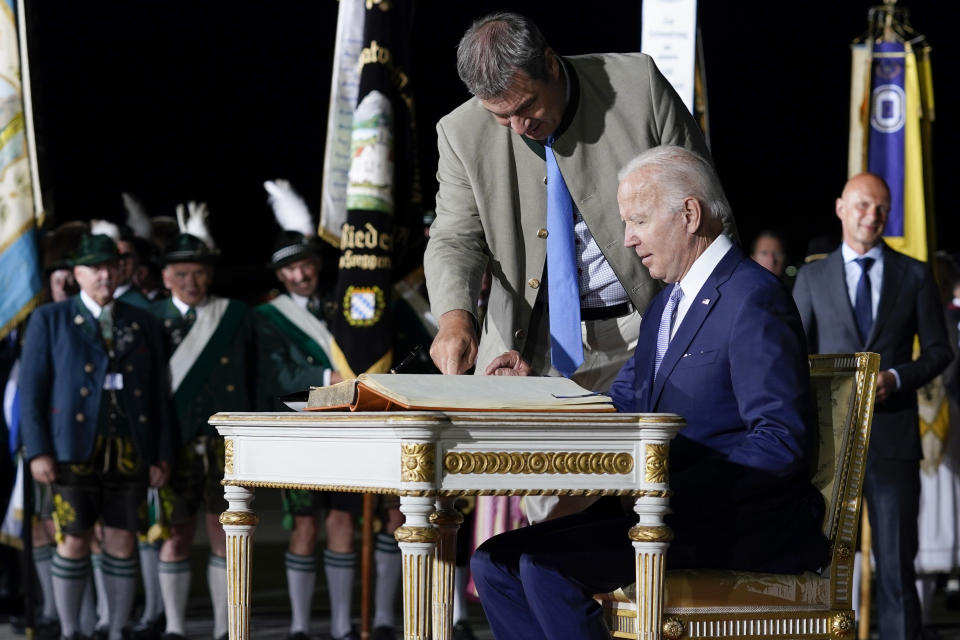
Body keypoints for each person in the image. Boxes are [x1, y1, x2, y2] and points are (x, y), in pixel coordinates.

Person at [474, 146, 828, 639]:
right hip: (661, 515)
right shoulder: (665, 306)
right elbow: (618, 408)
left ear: (689, 214)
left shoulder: (753, 297)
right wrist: (533, 390)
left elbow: (779, 442)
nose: (627, 239)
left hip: (735, 521)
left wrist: (663, 493)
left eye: (637, 220)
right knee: (494, 562)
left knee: (545, 567)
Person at [424, 11, 713, 390]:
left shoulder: (639, 86)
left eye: (526, 106)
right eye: (501, 116)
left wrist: (714, 324)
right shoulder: (459, 133)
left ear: (549, 64)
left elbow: (703, 208)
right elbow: (454, 237)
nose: (518, 126)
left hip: (645, 330)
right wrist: (454, 319)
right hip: (523, 346)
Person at [793, 172, 952, 640]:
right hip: (830, 446)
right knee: (816, 570)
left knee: (897, 569)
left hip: (894, 442)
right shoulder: (811, 276)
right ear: (841, 207)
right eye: (863, 205)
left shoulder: (916, 274)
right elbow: (793, 355)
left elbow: (941, 351)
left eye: (881, 208)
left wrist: (898, 378)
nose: (872, 216)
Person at [18, 233, 174, 640]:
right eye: (93, 268)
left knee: (122, 540)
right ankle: (71, 632)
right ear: (76, 274)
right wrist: (38, 451)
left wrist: (161, 453)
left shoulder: (144, 322)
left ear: (121, 269)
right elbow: (31, 392)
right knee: (73, 540)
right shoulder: (49, 319)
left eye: (110, 266)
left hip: (130, 449)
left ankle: (117, 630)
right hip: (70, 450)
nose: (103, 275)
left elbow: (160, 395)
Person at [150, 225, 255, 640]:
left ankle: (222, 629)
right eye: (181, 274)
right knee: (175, 534)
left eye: (198, 273)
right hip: (171, 446)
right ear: (165, 278)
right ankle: (174, 628)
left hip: (222, 446)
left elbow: (250, 379)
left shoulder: (233, 315)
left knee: (222, 533)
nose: (191, 282)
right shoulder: (150, 318)